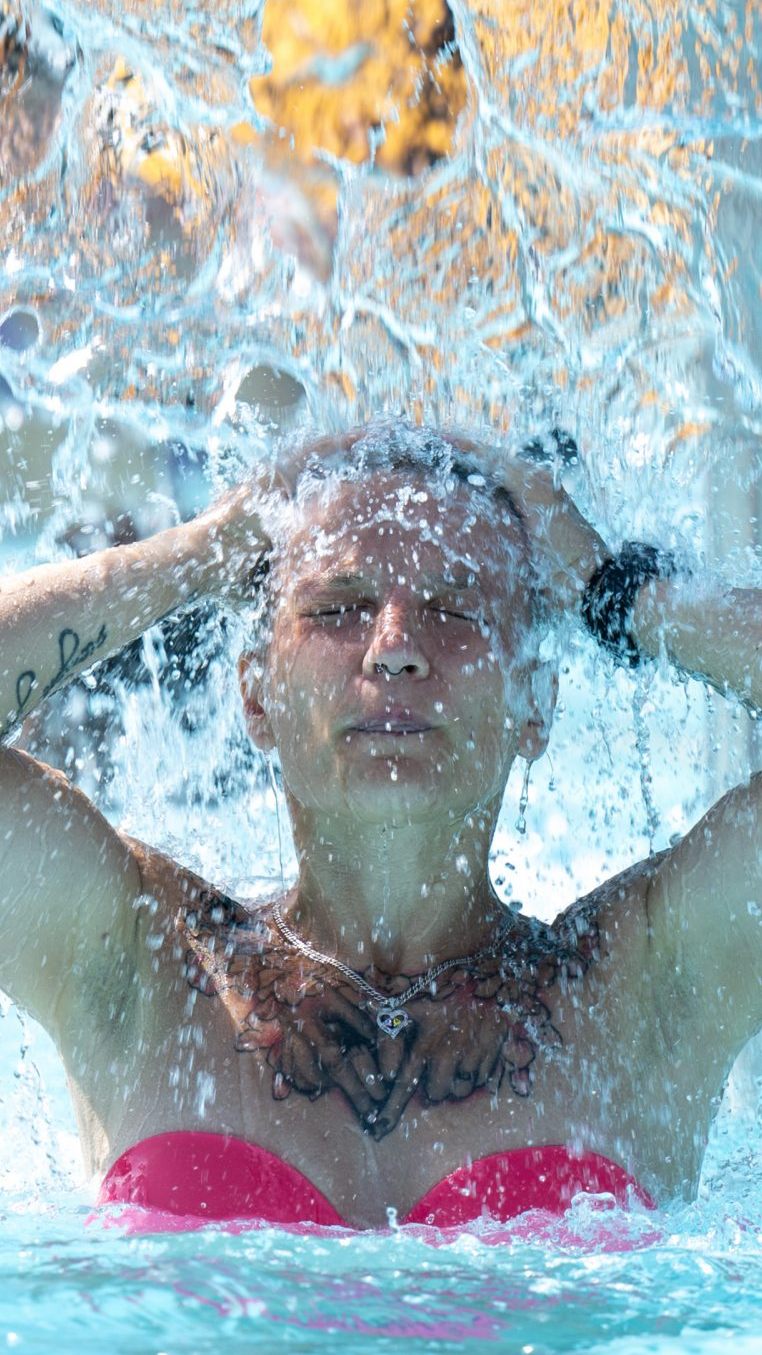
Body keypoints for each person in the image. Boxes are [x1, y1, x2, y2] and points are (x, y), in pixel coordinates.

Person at [1, 419, 760, 1232]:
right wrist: (203, 548)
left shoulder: (647, 986)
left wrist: (619, 591)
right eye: (338, 607)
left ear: (535, 701)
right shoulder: (140, 965)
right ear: (257, 695)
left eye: (456, 608)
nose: (394, 648)